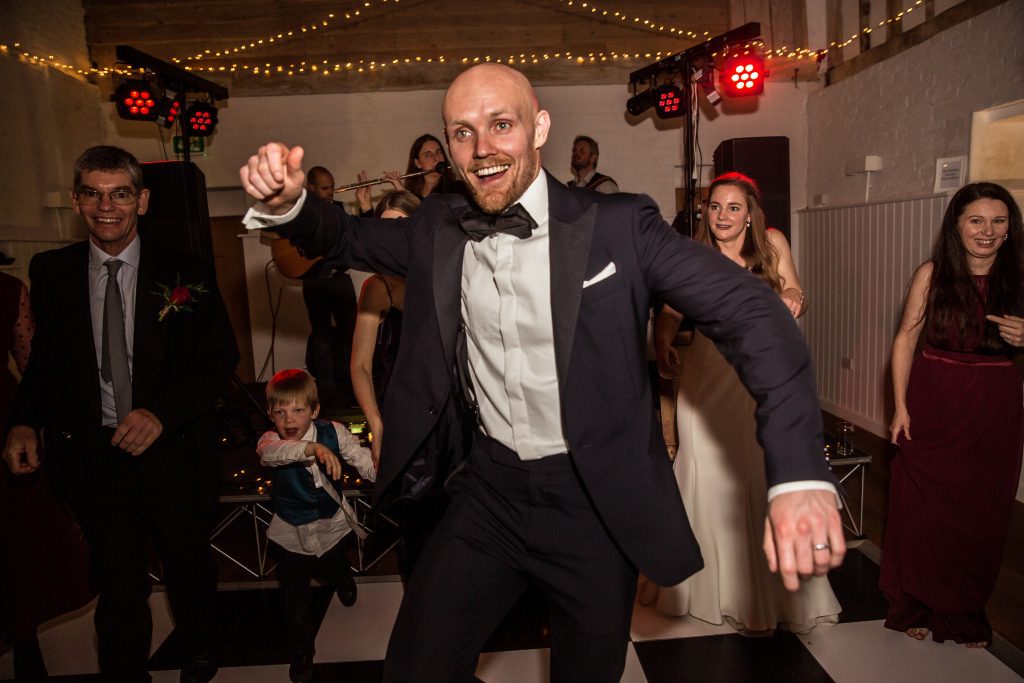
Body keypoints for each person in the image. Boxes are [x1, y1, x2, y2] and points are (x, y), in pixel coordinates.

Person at [239, 63, 844, 682]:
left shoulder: (618, 225)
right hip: (489, 491)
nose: (482, 149)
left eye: (501, 125)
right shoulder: (437, 227)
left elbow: (753, 310)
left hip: (591, 502)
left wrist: (798, 470)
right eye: (462, 132)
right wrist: (291, 205)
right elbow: (343, 235)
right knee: (414, 669)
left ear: (539, 127)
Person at [2, 146, 240, 683]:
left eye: (120, 193)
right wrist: (22, 419)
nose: (106, 205)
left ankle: (201, 647)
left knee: (187, 566)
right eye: (93, 192)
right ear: (76, 200)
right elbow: (46, 362)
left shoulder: (186, 270)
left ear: (143, 200)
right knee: (118, 580)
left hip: (174, 452)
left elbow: (219, 358)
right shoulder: (53, 271)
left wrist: (161, 412)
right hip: (97, 459)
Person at [647, 172, 841, 634]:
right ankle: (704, 587)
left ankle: (766, 592)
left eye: (733, 208)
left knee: (755, 471)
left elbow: (797, 292)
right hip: (708, 373)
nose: (722, 217)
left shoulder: (772, 243)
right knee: (706, 471)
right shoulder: (694, 251)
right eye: (714, 207)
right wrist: (663, 344)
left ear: (750, 213)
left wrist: (795, 296)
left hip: (759, 372)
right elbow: (670, 308)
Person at [883, 182, 1024, 648]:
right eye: (976, 220)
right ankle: (918, 603)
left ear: (1010, 228)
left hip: (994, 408)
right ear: (957, 225)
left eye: (998, 221)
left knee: (980, 511)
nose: (987, 231)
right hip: (935, 398)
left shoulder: (1020, 276)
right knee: (925, 506)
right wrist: (901, 406)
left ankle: (964, 608)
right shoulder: (933, 273)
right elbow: (906, 338)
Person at [348, 190, 447, 581]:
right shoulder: (378, 287)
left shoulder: (443, 274)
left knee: (459, 531)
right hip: (404, 426)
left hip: (449, 420)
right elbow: (359, 365)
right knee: (417, 533)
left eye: (401, 228)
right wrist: (377, 425)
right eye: (385, 228)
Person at [0, 271, 94, 680]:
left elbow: (33, 364)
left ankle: (23, 641)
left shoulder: (8, 289)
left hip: (6, 425)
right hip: (5, 415)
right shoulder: (7, 288)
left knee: (14, 540)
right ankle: (24, 643)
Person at [258, 369, 376, 683]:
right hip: (291, 531)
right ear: (271, 414)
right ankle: (301, 653)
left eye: (298, 410)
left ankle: (342, 577)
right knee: (295, 599)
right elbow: (273, 455)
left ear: (315, 410)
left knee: (333, 567)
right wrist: (310, 450)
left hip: (331, 525)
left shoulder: (333, 431)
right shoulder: (270, 441)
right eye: (280, 412)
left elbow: (358, 455)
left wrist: (381, 469)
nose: (289, 419)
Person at [300, 166, 358, 407]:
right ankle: (327, 392)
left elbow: (351, 240)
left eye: (332, 186)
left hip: (339, 279)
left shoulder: (340, 210)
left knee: (351, 334)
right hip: (315, 281)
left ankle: (352, 387)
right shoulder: (300, 212)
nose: (331, 192)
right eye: (325, 188)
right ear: (311, 188)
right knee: (321, 335)